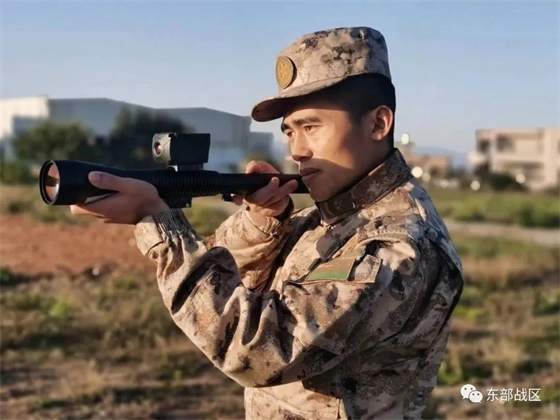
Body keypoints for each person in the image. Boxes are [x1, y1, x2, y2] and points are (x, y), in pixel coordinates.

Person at [71, 26, 464, 419]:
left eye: (311, 127)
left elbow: (256, 350)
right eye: (290, 132)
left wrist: (159, 225)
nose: (297, 150)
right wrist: (262, 223)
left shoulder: (399, 245)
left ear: (378, 124)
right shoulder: (325, 218)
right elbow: (230, 283)